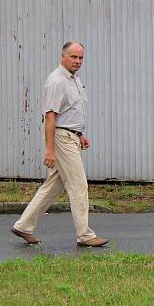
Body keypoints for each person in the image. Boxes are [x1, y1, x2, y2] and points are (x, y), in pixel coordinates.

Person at [11, 41, 109, 247]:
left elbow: (70, 112)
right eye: (73, 57)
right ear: (63, 56)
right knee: (78, 185)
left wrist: (80, 134)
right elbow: (50, 117)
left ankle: (24, 225)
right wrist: (49, 150)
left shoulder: (74, 80)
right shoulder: (56, 81)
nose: (78, 61)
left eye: (81, 57)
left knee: (53, 186)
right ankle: (85, 235)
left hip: (71, 136)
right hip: (62, 138)